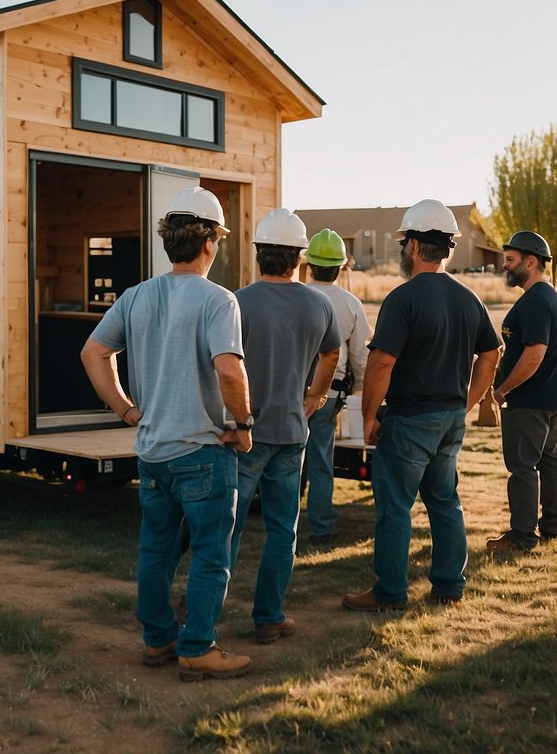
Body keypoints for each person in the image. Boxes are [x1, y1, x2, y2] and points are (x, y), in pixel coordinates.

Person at [80, 186, 254, 682]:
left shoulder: (135, 297)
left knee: (155, 553)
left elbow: (92, 353)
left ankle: (158, 641)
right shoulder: (219, 300)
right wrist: (243, 426)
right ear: (209, 244)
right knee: (210, 555)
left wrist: (125, 409)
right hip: (203, 450)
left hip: (153, 452)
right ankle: (197, 646)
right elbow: (229, 370)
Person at [342, 199, 500, 611]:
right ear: (446, 247)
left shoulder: (403, 299)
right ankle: (449, 585)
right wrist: (468, 400)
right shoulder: (470, 300)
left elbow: (381, 363)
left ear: (413, 245)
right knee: (445, 502)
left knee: (395, 508)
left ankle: (390, 593)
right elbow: (490, 355)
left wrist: (369, 415)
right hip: (449, 419)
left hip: (410, 419)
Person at [228, 210, 340, 644]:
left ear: (259, 253)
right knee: (282, 529)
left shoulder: (236, 302)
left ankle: (203, 606)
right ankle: (269, 617)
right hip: (292, 434)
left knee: (228, 526)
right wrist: (316, 396)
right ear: (300, 257)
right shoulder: (319, 304)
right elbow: (331, 355)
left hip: (245, 434)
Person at [486, 231, 557, 552]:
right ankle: (554, 528)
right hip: (552, 401)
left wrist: (502, 389)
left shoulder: (537, 300)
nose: (504, 267)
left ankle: (522, 537)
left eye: (510, 261)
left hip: (528, 401)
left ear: (531, 261)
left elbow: (535, 354)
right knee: (552, 463)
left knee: (522, 467)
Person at [302, 228, 371, 545]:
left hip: (291, 394)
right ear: (342, 266)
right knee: (320, 460)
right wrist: (358, 391)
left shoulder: (296, 296)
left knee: (282, 460)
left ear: (310, 265)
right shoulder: (351, 304)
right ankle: (322, 527)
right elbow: (359, 356)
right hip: (329, 395)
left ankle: (282, 524)